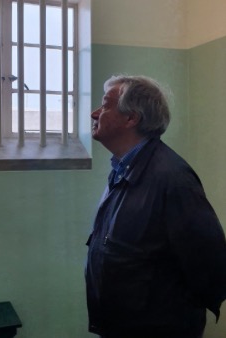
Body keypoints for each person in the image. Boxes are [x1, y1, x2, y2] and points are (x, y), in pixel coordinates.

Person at [85, 75, 226, 338]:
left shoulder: (173, 179)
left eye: (105, 105)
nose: (95, 113)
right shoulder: (122, 167)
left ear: (131, 118)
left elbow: (211, 263)